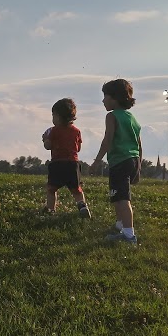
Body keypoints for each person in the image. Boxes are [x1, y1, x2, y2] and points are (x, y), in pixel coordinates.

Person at [91, 79, 141, 244]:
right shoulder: (132, 118)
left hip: (120, 161)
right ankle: (120, 225)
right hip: (132, 160)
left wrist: (97, 160)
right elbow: (138, 144)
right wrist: (138, 167)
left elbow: (108, 140)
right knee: (117, 195)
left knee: (122, 198)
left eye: (105, 96)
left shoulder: (111, 116)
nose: (103, 100)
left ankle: (129, 235)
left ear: (114, 98)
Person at [42, 98, 91, 218]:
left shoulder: (53, 131)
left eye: (53, 115)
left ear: (58, 116)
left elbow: (47, 146)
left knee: (51, 189)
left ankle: (51, 209)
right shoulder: (76, 131)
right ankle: (82, 205)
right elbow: (78, 148)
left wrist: (45, 139)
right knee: (76, 189)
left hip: (57, 163)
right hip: (73, 164)